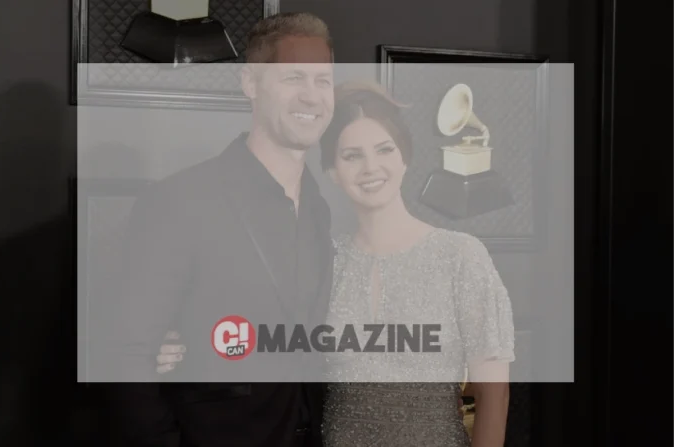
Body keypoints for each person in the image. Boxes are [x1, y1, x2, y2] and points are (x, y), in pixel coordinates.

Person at [156, 80, 515, 446]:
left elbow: (494, 394)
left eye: (384, 149)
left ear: (404, 158)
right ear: (331, 171)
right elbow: (256, 329)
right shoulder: (322, 257)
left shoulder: (461, 256)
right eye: (352, 155)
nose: (371, 167)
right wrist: (181, 342)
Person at [107, 12, 336, 447]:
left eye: (322, 81)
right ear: (251, 83)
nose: (312, 96)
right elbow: (128, 357)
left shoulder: (321, 209)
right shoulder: (178, 201)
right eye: (293, 79)